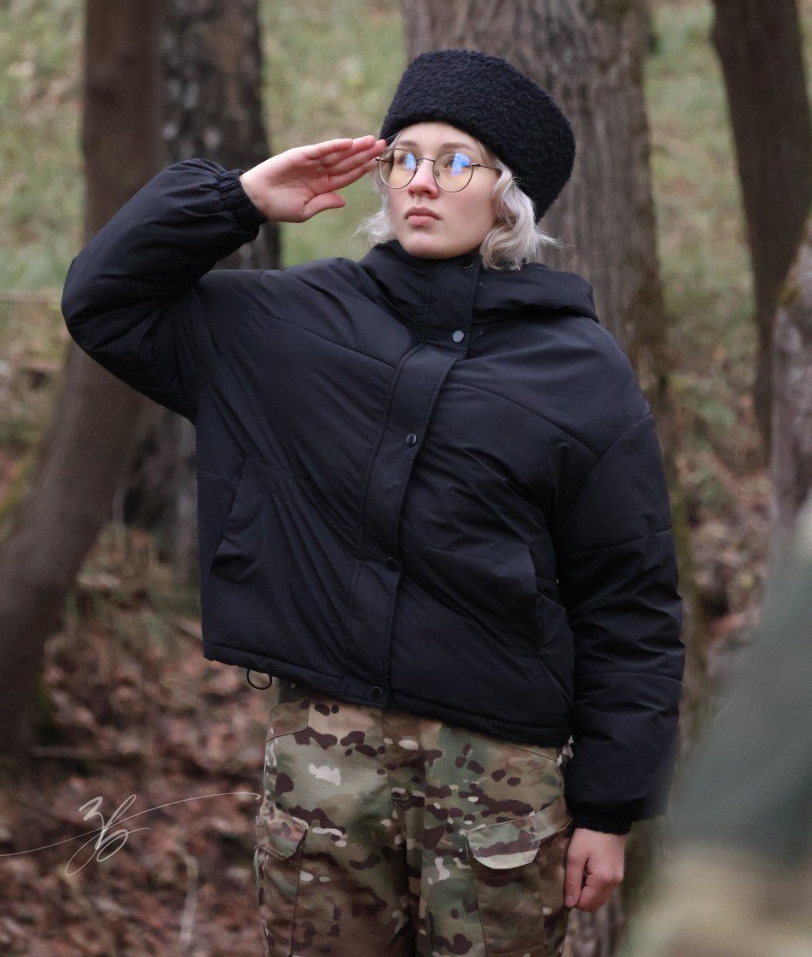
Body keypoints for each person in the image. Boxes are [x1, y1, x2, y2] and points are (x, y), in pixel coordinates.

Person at [61, 48, 686, 957]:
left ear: (508, 197)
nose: (421, 182)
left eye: (456, 161)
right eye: (403, 158)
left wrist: (607, 808)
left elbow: (628, 600)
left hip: (499, 789)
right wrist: (237, 200)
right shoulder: (286, 325)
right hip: (322, 768)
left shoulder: (581, 371)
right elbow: (103, 302)